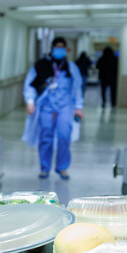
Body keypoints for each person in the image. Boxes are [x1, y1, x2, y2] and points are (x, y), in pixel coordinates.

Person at [22, 37, 85, 180]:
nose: (59, 49)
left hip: (65, 107)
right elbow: (29, 84)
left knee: (64, 136)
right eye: (57, 47)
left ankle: (62, 167)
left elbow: (77, 89)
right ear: (52, 48)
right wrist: (30, 101)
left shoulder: (71, 68)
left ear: (66, 49)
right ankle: (44, 168)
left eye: (62, 47)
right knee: (46, 137)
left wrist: (79, 107)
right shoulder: (41, 65)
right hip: (46, 106)